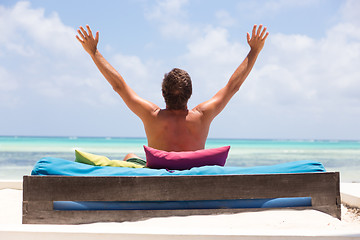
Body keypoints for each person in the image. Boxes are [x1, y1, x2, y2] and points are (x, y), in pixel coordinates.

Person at [76, 24, 268, 164]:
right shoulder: (202, 115)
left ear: (163, 93)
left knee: (129, 157)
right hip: (191, 178)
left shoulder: (151, 115)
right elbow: (233, 86)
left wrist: (94, 52)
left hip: (157, 179)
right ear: (190, 94)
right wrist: (254, 51)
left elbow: (119, 86)